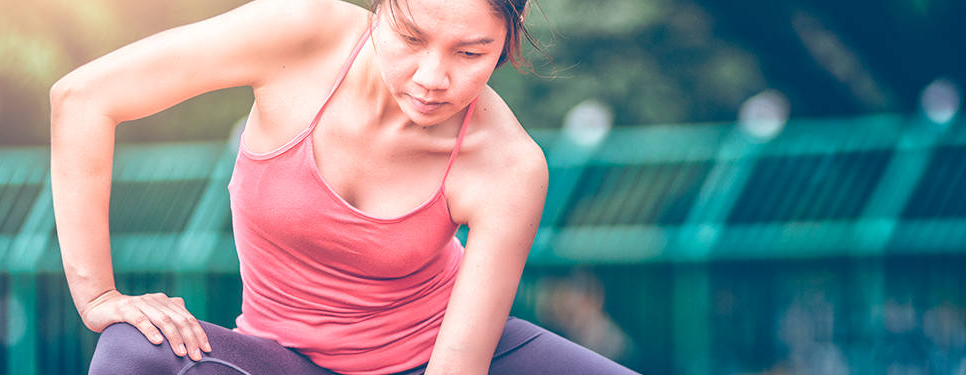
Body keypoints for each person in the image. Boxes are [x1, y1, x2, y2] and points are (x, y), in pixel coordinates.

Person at [49, 0, 636, 373]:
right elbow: (83, 99)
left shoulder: (508, 165)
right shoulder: (299, 35)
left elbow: (459, 364)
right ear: (379, 8)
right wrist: (98, 296)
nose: (433, 78)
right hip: (283, 359)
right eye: (410, 37)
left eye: (470, 52)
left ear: (508, 41)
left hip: (439, 355)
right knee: (131, 352)